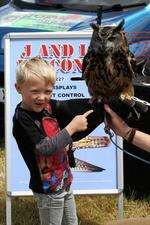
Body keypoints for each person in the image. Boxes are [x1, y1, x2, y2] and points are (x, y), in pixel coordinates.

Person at [13, 56, 105, 225]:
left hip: (64, 181)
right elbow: (44, 148)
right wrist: (72, 128)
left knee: (72, 222)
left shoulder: (48, 106)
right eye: (35, 91)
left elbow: (69, 106)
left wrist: (99, 103)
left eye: (48, 91)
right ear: (18, 88)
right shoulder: (22, 119)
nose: (42, 97)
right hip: (47, 189)